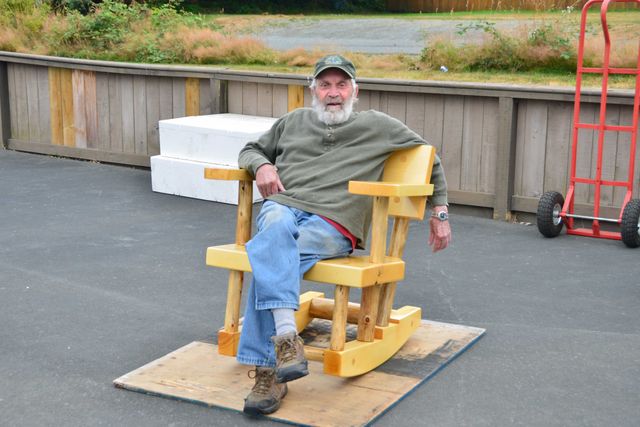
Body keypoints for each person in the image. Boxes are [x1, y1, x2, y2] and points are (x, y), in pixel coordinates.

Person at [236, 54, 451, 416]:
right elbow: (251, 150)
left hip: (332, 221)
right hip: (283, 207)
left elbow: (429, 158)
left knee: (268, 254)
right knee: (273, 231)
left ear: (355, 90)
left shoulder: (378, 126)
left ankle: (269, 371)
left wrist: (440, 212)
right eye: (324, 85)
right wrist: (263, 165)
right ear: (313, 90)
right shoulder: (293, 121)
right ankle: (286, 339)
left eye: (341, 85)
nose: (333, 93)